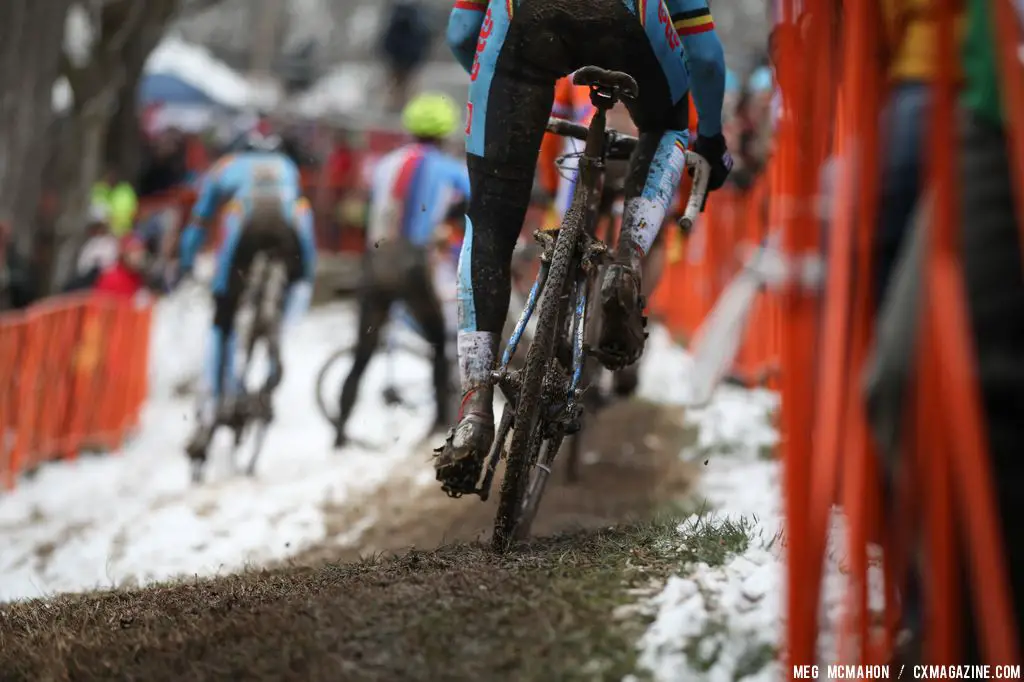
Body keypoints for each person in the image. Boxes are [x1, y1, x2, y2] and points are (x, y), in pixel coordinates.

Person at [434, 0, 732, 491]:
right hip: (629, 22)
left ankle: (474, 402)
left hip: (524, 31)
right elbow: (705, 59)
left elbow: (464, 29)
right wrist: (714, 140)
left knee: (488, 222)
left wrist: (500, 91)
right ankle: (626, 264)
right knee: (670, 125)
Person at [333, 92, 469, 448]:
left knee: (362, 353)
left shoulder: (386, 162)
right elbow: (472, 201)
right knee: (439, 342)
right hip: (413, 265)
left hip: (375, 262)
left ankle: (339, 431)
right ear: (445, 131)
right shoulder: (448, 166)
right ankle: (440, 423)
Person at [176, 131, 318, 464]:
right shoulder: (286, 166)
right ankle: (274, 356)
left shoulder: (227, 165)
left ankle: (213, 399)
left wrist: (187, 263)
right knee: (290, 292)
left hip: (244, 229)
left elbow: (200, 219)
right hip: (288, 235)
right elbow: (303, 220)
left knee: (222, 321)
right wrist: (305, 278)